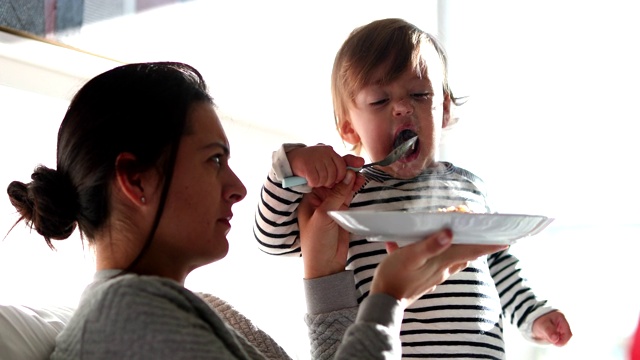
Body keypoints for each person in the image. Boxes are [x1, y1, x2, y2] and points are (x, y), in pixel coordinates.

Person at [6, 61, 505, 359]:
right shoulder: (129, 316)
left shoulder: (196, 308)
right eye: (215, 160)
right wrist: (388, 298)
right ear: (136, 179)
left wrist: (324, 276)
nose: (239, 188)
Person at [254, 18, 572, 358]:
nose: (403, 107)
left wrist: (534, 315)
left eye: (420, 95)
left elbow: (500, 261)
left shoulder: (467, 188)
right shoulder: (347, 194)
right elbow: (273, 238)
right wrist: (290, 166)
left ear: (444, 110)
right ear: (349, 128)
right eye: (379, 101)